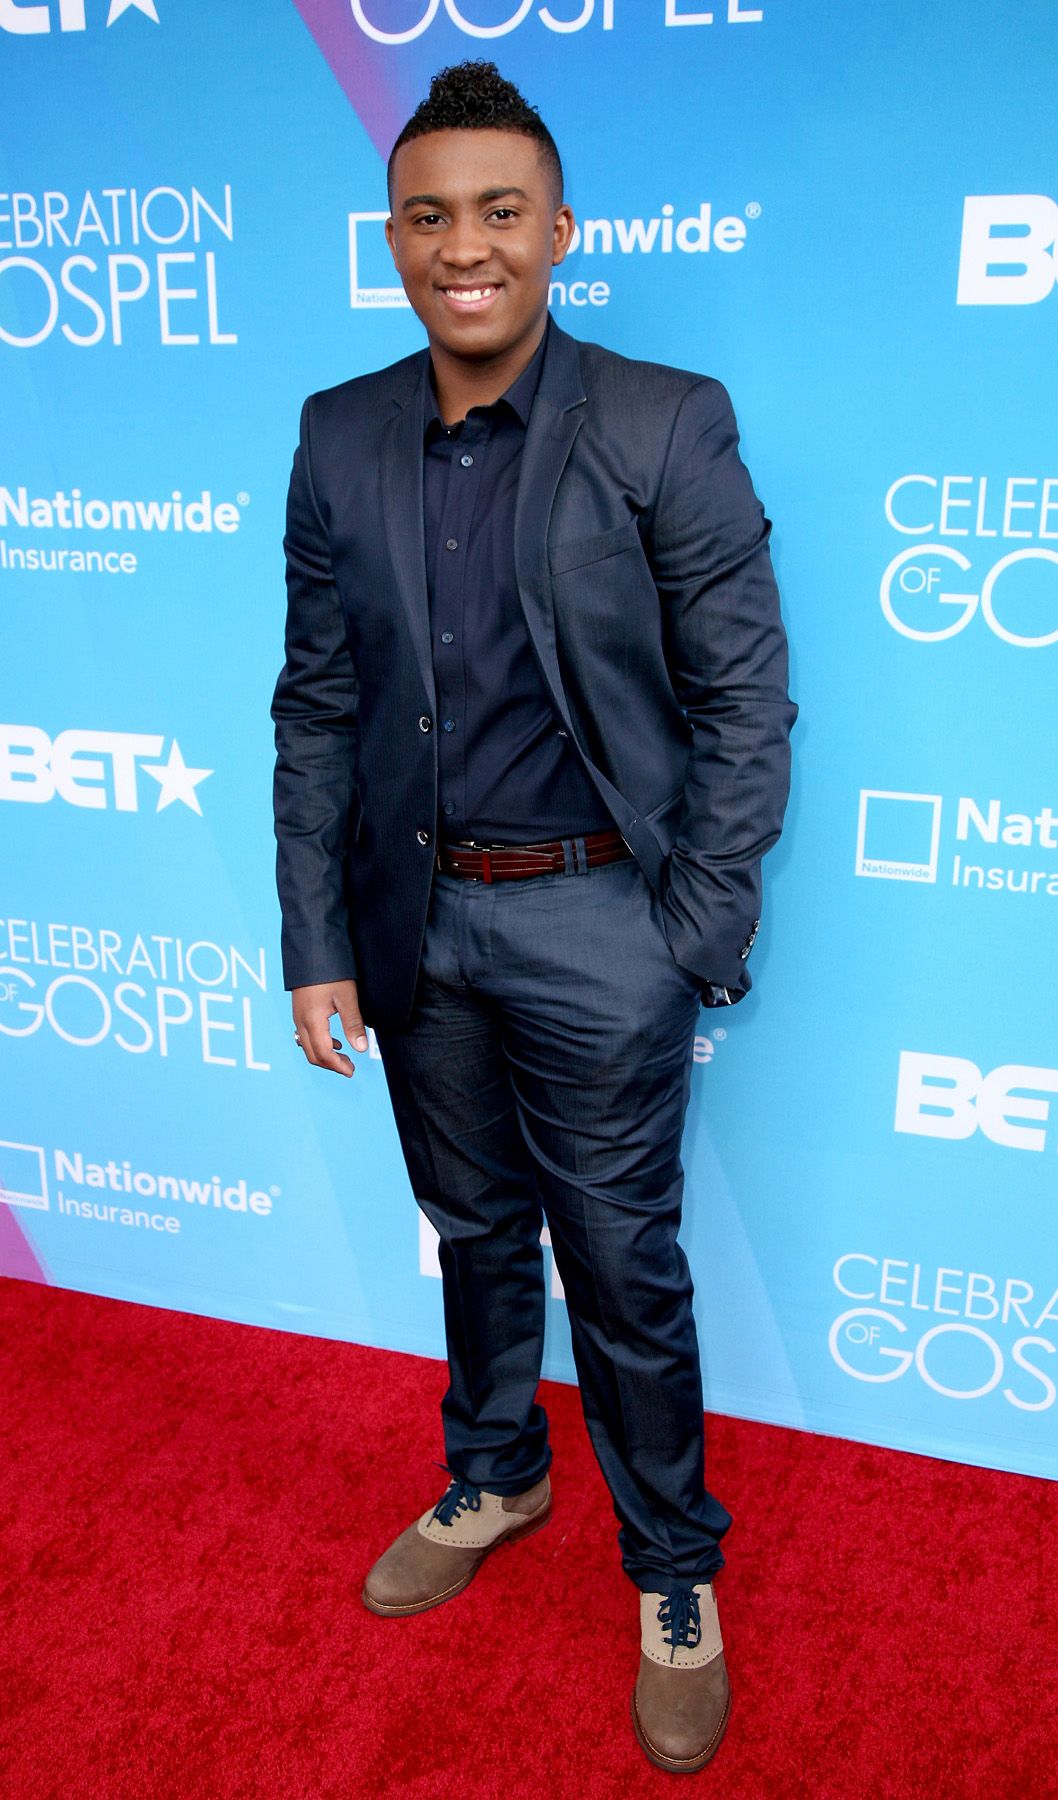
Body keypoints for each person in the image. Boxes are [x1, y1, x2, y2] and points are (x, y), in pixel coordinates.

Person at [271, 59, 796, 1776]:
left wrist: (685, 934)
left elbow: (745, 702)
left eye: (500, 212)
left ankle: (672, 1572)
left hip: (597, 930)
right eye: (430, 216)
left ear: (558, 233)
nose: (465, 247)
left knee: (624, 1269)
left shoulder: (662, 418)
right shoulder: (339, 429)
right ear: (393, 239)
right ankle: (495, 1473)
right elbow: (316, 704)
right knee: (472, 1230)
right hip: (417, 928)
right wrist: (319, 935)